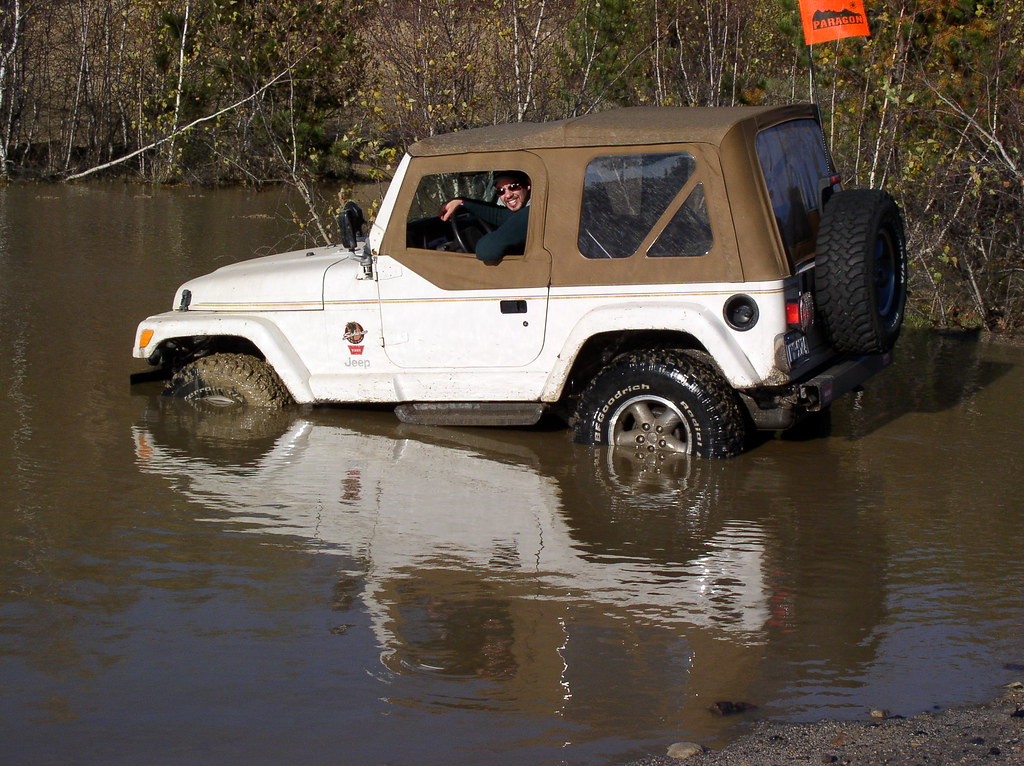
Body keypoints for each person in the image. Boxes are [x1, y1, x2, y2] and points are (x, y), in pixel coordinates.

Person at [439, 171, 531, 263]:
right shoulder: (528, 208)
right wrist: (461, 202)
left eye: (513, 187)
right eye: (501, 191)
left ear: (528, 184)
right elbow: (498, 215)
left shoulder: (530, 214)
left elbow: (486, 250)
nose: (508, 195)